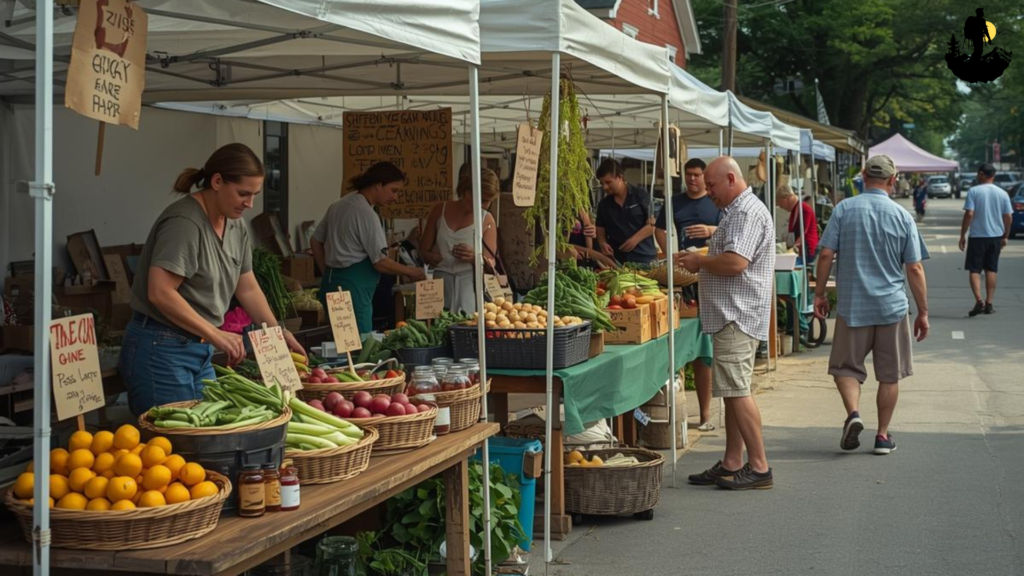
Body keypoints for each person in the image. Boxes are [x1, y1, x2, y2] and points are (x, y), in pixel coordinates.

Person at [119, 143, 306, 416]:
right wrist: (216, 334)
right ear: (217, 181)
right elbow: (160, 292)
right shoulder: (185, 223)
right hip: (161, 348)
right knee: (175, 444)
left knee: (205, 436)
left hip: (198, 348)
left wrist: (277, 331)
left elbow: (248, 287)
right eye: (243, 193)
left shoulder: (235, 224)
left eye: (254, 195)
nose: (250, 203)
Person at [814, 155, 930, 456]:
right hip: (891, 307)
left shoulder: (844, 209)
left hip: (853, 307)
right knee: (889, 374)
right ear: (893, 180)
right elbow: (914, 268)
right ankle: (881, 436)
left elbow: (826, 254)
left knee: (844, 368)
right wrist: (923, 312)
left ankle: (853, 413)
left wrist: (820, 295)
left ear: (863, 176)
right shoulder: (902, 215)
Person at [676, 156, 775, 490]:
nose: (707, 191)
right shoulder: (737, 210)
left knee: (737, 390)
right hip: (733, 313)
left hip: (738, 313)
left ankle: (759, 466)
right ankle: (734, 460)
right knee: (733, 390)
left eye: (712, 185)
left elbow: (735, 263)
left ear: (731, 179)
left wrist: (699, 261)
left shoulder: (745, 212)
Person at [312, 162, 427, 333]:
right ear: (378, 184)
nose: (395, 198)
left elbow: (315, 241)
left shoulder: (338, 205)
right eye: (394, 190)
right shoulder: (366, 214)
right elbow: (380, 262)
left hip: (331, 283)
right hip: (354, 292)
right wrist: (411, 271)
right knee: (359, 343)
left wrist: (326, 271)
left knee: (341, 340)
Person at [654, 158, 719, 431]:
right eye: (689, 175)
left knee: (704, 353)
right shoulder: (674, 201)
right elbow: (660, 227)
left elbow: (729, 232)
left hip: (709, 274)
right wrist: (671, 251)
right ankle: (669, 414)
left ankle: (705, 414)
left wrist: (709, 232)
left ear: (705, 177)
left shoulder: (715, 202)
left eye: (697, 175)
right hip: (681, 277)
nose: (692, 180)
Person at [419, 168, 500, 314]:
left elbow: (491, 262)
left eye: (488, 201)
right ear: (467, 191)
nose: (483, 205)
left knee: (467, 328)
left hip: (470, 286)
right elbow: (423, 250)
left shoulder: (486, 220)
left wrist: (474, 257)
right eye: (481, 199)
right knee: (439, 328)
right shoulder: (439, 210)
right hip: (440, 284)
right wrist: (431, 257)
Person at [959, 163, 1014, 317]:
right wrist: (1005, 235)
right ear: (993, 176)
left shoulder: (974, 191)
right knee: (991, 269)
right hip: (995, 236)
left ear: (982, 174)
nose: (978, 176)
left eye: (979, 173)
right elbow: (1008, 216)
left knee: (974, 269)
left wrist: (962, 234)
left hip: (977, 236)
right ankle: (989, 303)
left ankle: (979, 300)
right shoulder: (1002, 193)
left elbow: (969, 213)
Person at [595, 159, 657, 266]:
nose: (605, 187)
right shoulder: (604, 204)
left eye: (608, 182)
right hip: (618, 259)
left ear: (620, 177)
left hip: (644, 258)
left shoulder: (640, 195)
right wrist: (602, 243)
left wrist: (634, 239)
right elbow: (600, 228)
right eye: (602, 183)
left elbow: (653, 224)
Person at [775, 184, 819, 266]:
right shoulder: (795, 210)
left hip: (807, 251)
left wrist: (791, 252)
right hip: (800, 250)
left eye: (779, 202)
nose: (780, 206)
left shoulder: (804, 209)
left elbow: (803, 234)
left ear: (787, 199)